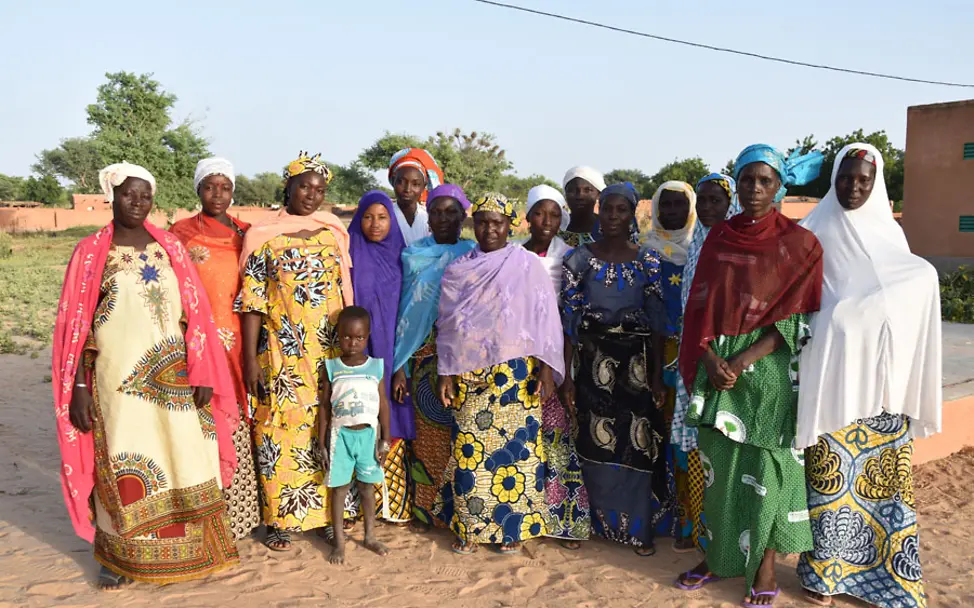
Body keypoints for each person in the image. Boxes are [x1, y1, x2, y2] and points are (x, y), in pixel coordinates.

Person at [53, 162, 239, 589]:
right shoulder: (90, 252)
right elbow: (75, 328)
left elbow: (197, 317)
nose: (137, 203)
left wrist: (204, 369)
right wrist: (79, 388)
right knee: (122, 461)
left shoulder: (171, 247)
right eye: (128, 195)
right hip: (116, 383)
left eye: (145, 196)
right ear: (112, 197)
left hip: (175, 376)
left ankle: (193, 548)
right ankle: (117, 559)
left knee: (183, 455)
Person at [677, 144, 824, 606]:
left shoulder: (799, 244)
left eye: (765, 181)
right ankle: (718, 556)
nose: (755, 190)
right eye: (747, 180)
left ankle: (763, 563)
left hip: (767, 372)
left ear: (780, 186)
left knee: (766, 469)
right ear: (736, 184)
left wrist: (741, 362)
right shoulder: (719, 238)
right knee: (719, 467)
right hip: (717, 368)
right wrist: (708, 359)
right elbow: (698, 306)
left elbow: (797, 319)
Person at [796, 144, 942, 608]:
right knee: (829, 483)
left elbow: (906, 293)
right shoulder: (811, 234)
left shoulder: (892, 240)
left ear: (876, 183)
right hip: (832, 385)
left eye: (863, 179)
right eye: (846, 178)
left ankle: (887, 578)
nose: (853, 187)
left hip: (884, 397)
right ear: (833, 178)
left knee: (884, 490)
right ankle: (823, 575)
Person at [436, 192, 566, 555]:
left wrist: (545, 372)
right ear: (472, 224)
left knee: (516, 453)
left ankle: (511, 529)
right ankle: (469, 527)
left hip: (516, 374)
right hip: (469, 373)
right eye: (482, 221)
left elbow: (543, 320)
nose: (489, 229)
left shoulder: (526, 265)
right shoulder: (458, 270)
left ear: (511, 225)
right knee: (469, 452)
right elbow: (447, 325)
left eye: (497, 222)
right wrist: (446, 374)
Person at [238, 151, 353, 551]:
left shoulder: (332, 232)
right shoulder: (261, 235)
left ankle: (326, 515)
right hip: (281, 353)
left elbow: (344, 295)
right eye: (304, 186)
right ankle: (280, 520)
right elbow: (252, 301)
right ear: (287, 186)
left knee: (327, 427)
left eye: (320, 189)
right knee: (277, 429)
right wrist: (249, 358)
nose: (312, 195)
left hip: (327, 352)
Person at [559, 183, 671, 556]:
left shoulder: (648, 261)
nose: (612, 217)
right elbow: (570, 322)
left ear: (631, 215)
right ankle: (588, 523)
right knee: (591, 441)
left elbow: (657, 323)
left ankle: (637, 530)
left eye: (621, 210)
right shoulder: (577, 260)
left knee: (636, 442)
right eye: (606, 209)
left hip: (635, 364)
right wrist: (567, 375)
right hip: (591, 361)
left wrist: (655, 376)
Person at [170, 157, 261, 542]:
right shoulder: (180, 233)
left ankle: (241, 515)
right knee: (204, 421)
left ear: (234, 190)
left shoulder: (247, 233)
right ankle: (202, 515)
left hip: (242, 339)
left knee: (244, 418)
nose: (218, 194)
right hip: (199, 341)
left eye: (225, 187)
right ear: (198, 190)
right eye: (210, 186)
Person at [390, 184, 476, 529]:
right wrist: (398, 367)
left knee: (461, 434)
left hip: (462, 357)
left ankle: (459, 510)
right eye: (436, 212)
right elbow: (403, 312)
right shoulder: (412, 254)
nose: (443, 218)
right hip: (419, 353)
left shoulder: (474, 254)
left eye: (450, 212)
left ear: (463, 216)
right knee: (426, 437)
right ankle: (426, 510)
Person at [671, 173, 742, 553]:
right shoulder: (698, 244)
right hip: (697, 357)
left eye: (717, 200)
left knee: (726, 443)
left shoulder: (738, 244)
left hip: (733, 361)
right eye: (704, 200)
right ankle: (698, 528)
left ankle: (729, 533)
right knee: (695, 445)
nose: (709, 207)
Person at [518, 185, 592, 550]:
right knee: (520, 439)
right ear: (527, 217)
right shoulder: (512, 255)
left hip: (556, 356)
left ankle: (562, 520)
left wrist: (557, 367)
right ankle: (521, 516)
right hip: (517, 358)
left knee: (556, 438)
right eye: (538, 213)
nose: (546, 221)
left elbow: (570, 316)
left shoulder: (570, 256)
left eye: (553, 214)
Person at [346, 190, 412, 524]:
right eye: (368, 217)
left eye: (383, 217)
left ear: (392, 220)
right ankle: (357, 506)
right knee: (356, 417)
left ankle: (394, 505)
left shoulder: (404, 256)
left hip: (393, 351)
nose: (375, 224)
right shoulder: (348, 250)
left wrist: (401, 366)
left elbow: (409, 313)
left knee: (392, 417)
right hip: (357, 352)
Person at [642, 181, 698, 544]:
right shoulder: (645, 249)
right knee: (656, 435)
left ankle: (691, 521)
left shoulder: (701, 247)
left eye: (680, 205)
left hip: (694, 353)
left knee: (688, 440)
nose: (673, 212)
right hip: (652, 353)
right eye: (666, 205)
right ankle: (661, 516)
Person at [318, 306, 393, 564]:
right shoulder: (331, 367)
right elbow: (325, 407)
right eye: (347, 337)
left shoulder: (375, 367)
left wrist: (385, 440)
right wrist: (322, 443)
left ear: (368, 336)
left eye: (359, 338)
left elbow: (383, 404)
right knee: (338, 490)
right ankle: (339, 543)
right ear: (338, 336)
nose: (353, 343)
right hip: (341, 438)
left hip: (369, 438)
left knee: (366, 488)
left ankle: (370, 536)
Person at [388, 147, 444, 245]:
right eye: (401, 182)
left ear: (424, 185)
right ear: (393, 181)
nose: (407, 189)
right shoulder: (384, 215)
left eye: (416, 184)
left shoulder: (430, 217)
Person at [560, 166, 606, 246]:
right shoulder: (555, 229)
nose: (580, 196)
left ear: (598, 194)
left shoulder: (609, 228)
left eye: (587, 190)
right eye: (572, 190)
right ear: (565, 194)